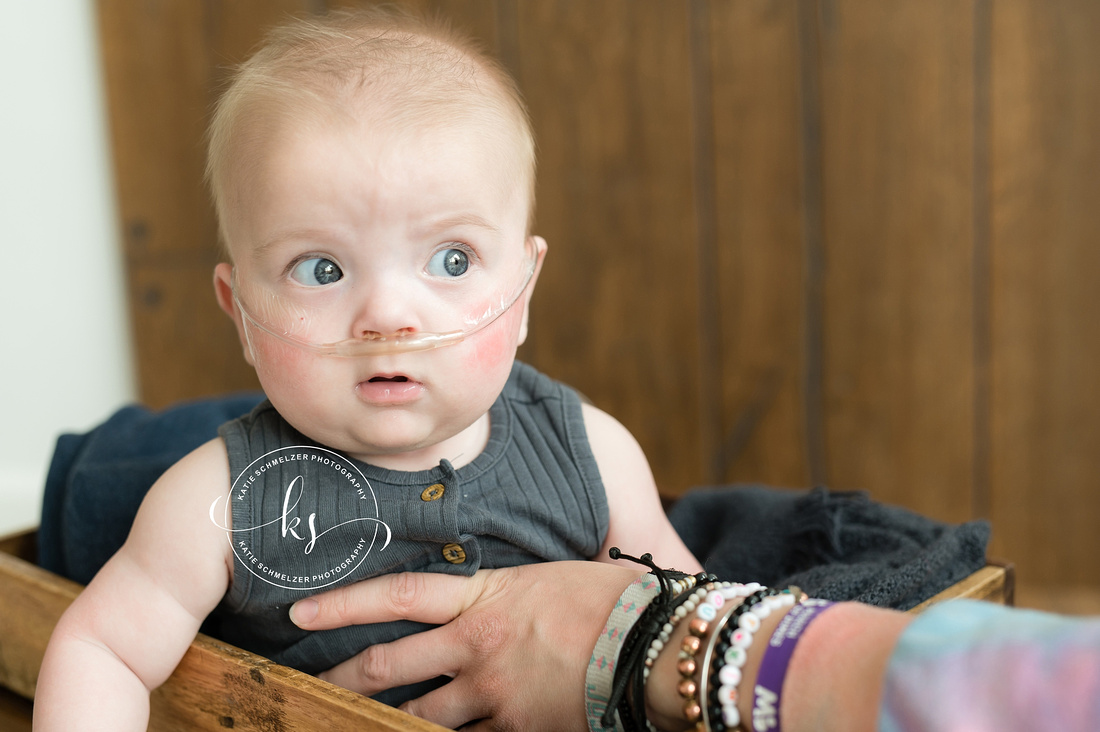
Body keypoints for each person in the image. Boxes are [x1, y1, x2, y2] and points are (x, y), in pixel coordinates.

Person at [34, 8, 700, 729]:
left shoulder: (590, 457)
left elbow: (690, 619)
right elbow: (104, 648)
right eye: (320, 269)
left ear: (524, 292)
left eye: (451, 260)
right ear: (241, 314)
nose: (387, 315)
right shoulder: (219, 503)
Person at [287, 560, 1100, 732]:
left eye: (455, 259)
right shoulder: (223, 485)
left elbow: (672, 565)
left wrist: (655, 636)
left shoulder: (577, 437)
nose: (389, 318)